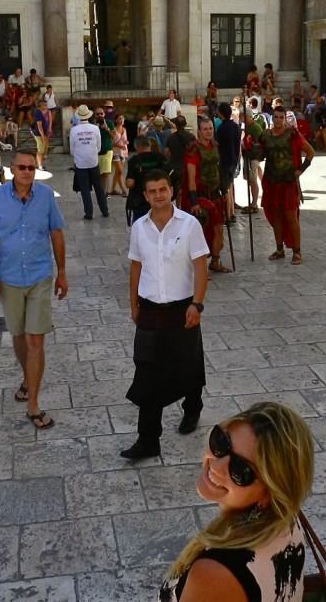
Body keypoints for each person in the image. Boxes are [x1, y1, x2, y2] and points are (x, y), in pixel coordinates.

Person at [159, 401, 314, 602]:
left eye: (241, 471)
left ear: (269, 495)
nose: (216, 465)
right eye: (221, 442)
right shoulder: (286, 521)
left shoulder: (214, 575)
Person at [122, 168, 209, 460]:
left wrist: (196, 304)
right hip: (149, 310)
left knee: (188, 365)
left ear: (171, 190)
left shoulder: (189, 225)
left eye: (163, 189)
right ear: (145, 195)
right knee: (147, 373)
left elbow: (200, 266)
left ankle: (192, 407)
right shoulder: (139, 227)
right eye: (152, 191)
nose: (158, 195)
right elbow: (136, 266)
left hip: (182, 308)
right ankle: (148, 440)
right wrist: (133, 304)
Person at [0, 148, 67, 429]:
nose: (27, 172)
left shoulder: (46, 197)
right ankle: (28, 378)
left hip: (40, 275)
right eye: (22, 167)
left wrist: (62, 272)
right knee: (18, 336)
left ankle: (33, 405)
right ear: (11, 170)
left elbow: (56, 233)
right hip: (10, 277)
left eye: (31, 168)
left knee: (35, 340)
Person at [259, 105, 315, 265]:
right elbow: (261, 154)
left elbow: (310, 152)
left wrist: (301, 170)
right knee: (276, 216)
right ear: (272, 118)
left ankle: (297, 251)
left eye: (280, 117)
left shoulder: (293, 135)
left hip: (288, 182)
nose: (278, 120)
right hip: (271, 181)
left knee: (291, 216)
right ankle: (279, 249)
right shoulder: (266, 136)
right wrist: (248, 148)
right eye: (275, 117)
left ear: (284, 118)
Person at [184, 116, 229, 274]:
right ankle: (200, 266)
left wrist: (224, 190)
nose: (209, 131)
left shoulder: (215, 145)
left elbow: (218, 170)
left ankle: (215, 261)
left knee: (219, 230)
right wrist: (194, 201)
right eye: (205, 129)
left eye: (210, 128)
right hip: (200, 195)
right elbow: (191, 178)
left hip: (215, 193)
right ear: (199, 131)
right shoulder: (193, 149)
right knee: (200, 232)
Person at [70, 104, 109, 220]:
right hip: (93, 161)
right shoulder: (95, 128)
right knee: (98, 187)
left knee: (85, 189)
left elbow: (72, 149)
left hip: (80, 162)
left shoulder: (74, 130)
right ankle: (105, 210)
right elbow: (98, 146)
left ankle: (89, 213)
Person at [125, 136, 165, 225]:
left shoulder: (134, 161)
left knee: (141, 228)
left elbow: (129, 183)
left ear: (137, 147)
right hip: (160, 200)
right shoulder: (160, 157)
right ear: (149, 145)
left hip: (141, 202)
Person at [110, 114, 129, 196]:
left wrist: (126, 142)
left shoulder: (124, 129)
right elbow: (111, 143)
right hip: (115, 152)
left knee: (118, 172)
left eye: (123, 118)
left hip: (123, 152)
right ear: (116, 121)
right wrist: (119, 145)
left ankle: (113, 189)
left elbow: (126, 140)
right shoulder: (113, 130)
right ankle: (123, 190)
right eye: (120, 119)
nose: (122, 120)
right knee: (120, 171)